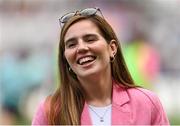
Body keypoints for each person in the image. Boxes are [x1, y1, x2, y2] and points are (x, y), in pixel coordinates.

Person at [32, 7, 169, 125]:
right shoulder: (50, 111)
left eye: (90, 39)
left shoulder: (147, 103)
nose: (81, 48)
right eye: (72, 44)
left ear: (112, 48)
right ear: (65, 58)